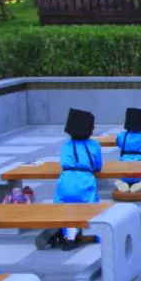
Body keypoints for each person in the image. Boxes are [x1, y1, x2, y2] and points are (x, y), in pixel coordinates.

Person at [53, 107, 103, 249]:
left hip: (66, 179)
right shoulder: (94, 145)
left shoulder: (66, 145)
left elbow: (63, 162)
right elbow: (98, 166)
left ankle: (67, 232)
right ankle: (93, 233)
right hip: (85, 179)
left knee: (63, 206)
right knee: (92, 206)